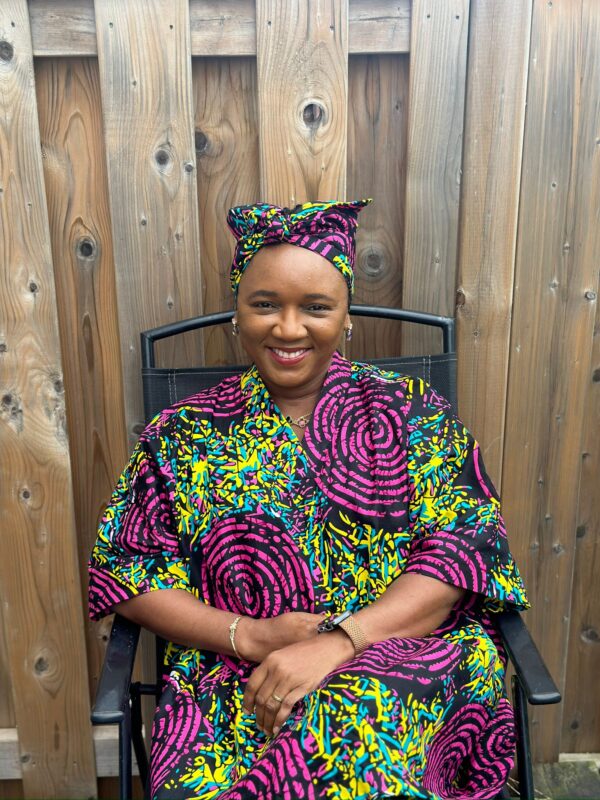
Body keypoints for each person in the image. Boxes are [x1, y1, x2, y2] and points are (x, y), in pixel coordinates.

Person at [89, 199, 529, 799]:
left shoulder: (412, 412)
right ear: (237, 314)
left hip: (411, 659)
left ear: (346, 318)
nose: (289, 329)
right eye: (265, 304)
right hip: (240, 677)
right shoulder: (181, 434)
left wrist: (341, 642)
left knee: (345, 723)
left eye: (316, 307)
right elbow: (127, 572)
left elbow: (462, 552)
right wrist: (250, 636)